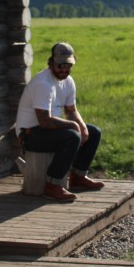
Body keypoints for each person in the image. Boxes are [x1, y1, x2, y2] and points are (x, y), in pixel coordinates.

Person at [15, 42, 105, 202]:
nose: (64, 69)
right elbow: (44, 121)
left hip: (48, 130)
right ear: (51, 63)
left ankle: (78, 176)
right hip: (30, 134)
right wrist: (73, 125)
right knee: (72, 136)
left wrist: (82, 126)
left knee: (94, 132)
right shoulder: (43, 84)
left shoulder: (68, 81)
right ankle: (52, 185)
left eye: (68, 66)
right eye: (60, 65)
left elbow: (71, 110)